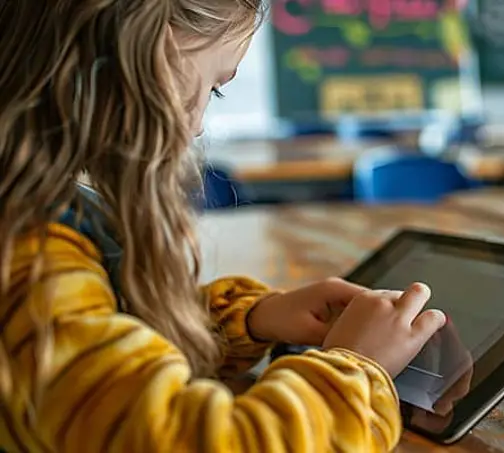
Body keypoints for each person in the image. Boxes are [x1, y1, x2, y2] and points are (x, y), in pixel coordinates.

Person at [0, 1, 447, 452]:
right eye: (214, 88)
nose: (197, 128)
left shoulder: (32, 230)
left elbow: (100, 337)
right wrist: (357, 368)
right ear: (146, 55)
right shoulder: (31, 257)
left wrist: (251, 320)